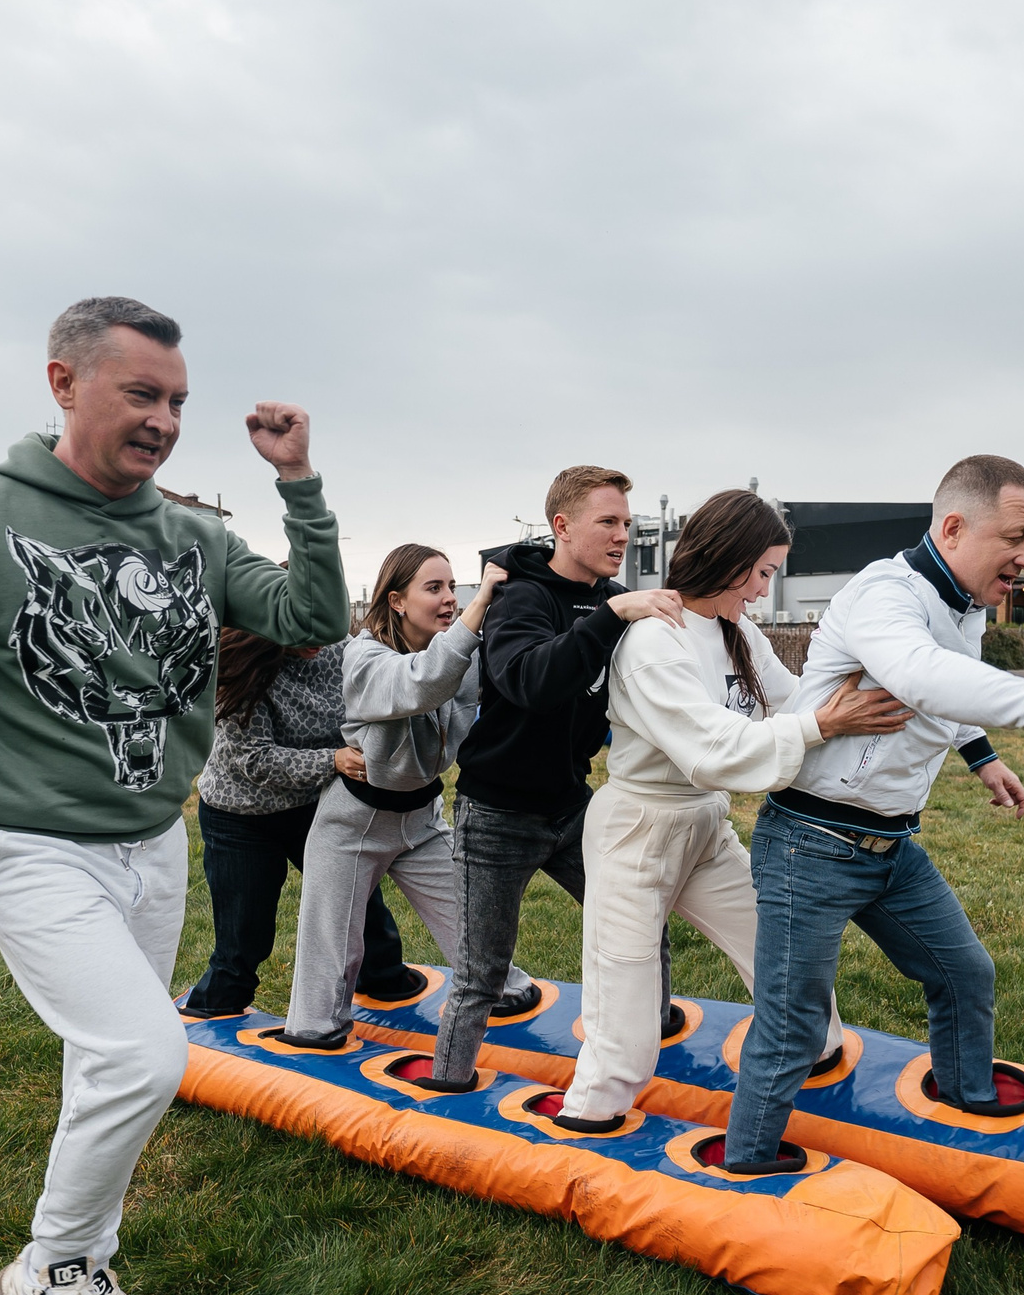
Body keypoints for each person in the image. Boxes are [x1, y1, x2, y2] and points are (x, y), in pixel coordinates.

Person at [0, 296, 348, 1295]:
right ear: (63, 383)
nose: (165, 419)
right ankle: (46, 1273)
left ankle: (86, 1269)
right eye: (142, 393)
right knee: (145, 1056)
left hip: (151, 838)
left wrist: (298, 483)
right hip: (24, 839)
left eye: (178, 400)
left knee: (108, 1064)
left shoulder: (190, 533)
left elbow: (311, 612)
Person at [719, 455, 1024, 1173]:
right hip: (809, 843)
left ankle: (965, 1097)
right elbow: (923, 671)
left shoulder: (964, 603)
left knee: (965, 973)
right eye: (1015, 538)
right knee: (794, 1024)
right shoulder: (882, 595)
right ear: (953, 527)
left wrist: (983, 756)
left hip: (890, 849)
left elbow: (950, 691)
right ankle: (746, 1163)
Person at [554, 490, 909, 1129]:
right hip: (637, 831)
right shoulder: (652, 641)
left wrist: (854, 699)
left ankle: (815, 1051)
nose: (763, 592)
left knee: (779, 947)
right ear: (731, 560)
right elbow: (712, 750)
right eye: (765, 573)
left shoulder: (734, 628)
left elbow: (791, 700)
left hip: (702, 824)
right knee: (626, 996)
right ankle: (592, 1114)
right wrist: (821, 728)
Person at [420, 467, 688, 1090]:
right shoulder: (524, 598)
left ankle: (658, 1047)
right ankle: (448, 1083)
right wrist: (612, 614)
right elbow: (531, 682)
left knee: (642, 924)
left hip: (572, 806)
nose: (622, 535)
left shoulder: (611, 598)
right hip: (497, 815)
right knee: (482, 971)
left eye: (627, 523)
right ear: (562, 527)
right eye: (608, 522)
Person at [277, 545, 535, 1048]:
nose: (448, 599)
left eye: (451, 586)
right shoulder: (365, 656)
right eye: (433, 588)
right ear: (396, 600)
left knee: (470, 917)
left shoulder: (457, 649)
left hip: (420, 816)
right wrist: (478, 607)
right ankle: (315, 1026)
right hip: (355, 821)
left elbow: (506, 675)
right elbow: (420, 684)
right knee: (332, 942)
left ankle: (500, 985)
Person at [177, 628, 424, 1020]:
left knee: (359, 906)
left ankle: (382, 977)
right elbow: (254, 760)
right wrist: (334, 761)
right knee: (245, 936)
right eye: (306, 629)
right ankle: (214, 1007)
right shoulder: (241, 668)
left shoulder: (341, 651)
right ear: (277, 619)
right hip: (241, 817)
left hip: (311, 805)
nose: (319, 639)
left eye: (325, 626)